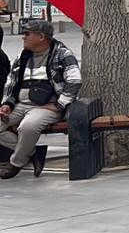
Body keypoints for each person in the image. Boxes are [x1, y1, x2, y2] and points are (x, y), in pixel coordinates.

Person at [0, 20, 81, 179]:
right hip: (21, 104)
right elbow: (11, 82)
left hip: (47, 106)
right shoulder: (23, 56)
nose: (23, 37)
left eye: (27, 34)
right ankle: (32, 152)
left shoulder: (62, 54)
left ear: (42, 37)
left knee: (28, 127)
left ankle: (16, 163)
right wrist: (7, 104)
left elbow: (74, 81)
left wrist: (59, 105)